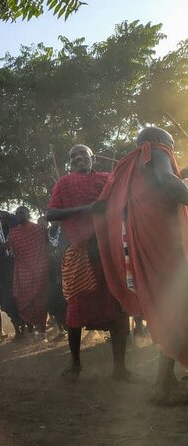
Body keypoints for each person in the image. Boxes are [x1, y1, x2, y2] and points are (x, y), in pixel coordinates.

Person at [94, 127, 188, 400]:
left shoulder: (130, 166)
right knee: (177, 309)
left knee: (170, 308)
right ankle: (162, 388)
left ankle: (166, 379)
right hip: (165, 245)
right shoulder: (156, 151)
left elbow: (163, 181)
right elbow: (167, 181)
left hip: (145, 244)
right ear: (162, 142)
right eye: (171, 146)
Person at [47, 144, 131, 381]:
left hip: (110, 253)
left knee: (117, 310)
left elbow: (125, 203)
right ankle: (75, 365)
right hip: (81, 255)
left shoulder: (109, 178)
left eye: (82, 153)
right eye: (72, 156)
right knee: (75, 312)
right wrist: (87, 209)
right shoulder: (63, 183)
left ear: (92, 157)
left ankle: (120, 369)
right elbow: (50, 214)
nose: (77, 158)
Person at [8, 207, 49, 340]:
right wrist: (6, 247)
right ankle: (30, 331)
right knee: (24, 302)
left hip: (38, 270)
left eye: (22, 212)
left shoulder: (38, 229)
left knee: (40, 302)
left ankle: (42, 330)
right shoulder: (13, 233)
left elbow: (45, 246)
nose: (19, 215)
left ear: (28, 214)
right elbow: (11, 252)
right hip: (23, 272)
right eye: (17, 213)